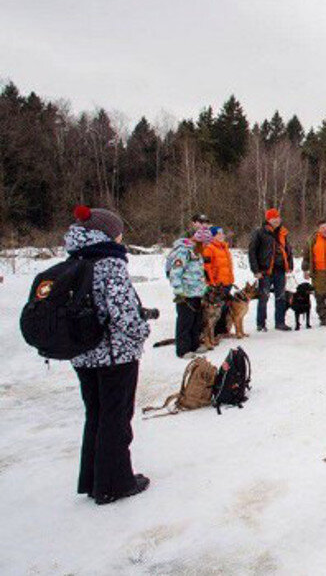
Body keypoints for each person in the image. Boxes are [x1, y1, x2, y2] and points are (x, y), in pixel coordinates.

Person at [67, 206, 151, 505]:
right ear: (106, 232)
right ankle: (115, 483)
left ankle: (93, 479)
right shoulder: (109, 262)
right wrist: (142, 331)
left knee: (96, 416)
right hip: (114, 355)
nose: (121, 236)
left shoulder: (74, 259)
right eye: (118, 231)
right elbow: (123, 312)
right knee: (116, 418)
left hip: (83, 354)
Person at [168, 227, 211, 357]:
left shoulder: (198, 253)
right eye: (205, 244)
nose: (206, 246)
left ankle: (194, 345)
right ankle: (183, 349)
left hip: (197, 292)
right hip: (185, 294)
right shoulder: (183, 252)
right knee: (185, 322)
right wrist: (179, 290)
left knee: (196, 321)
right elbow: (175, 272)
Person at [249, 208, 293, 332]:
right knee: (264, 297)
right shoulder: (259, 233)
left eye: (278, 218)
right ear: (268, 219)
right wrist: (255, 270)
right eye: (274, 218)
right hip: (265, 270)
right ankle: (261, 323)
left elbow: (288, 250)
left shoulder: (283, 232)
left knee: (281, 296)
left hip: (280, 270)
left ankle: (280, 322)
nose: (276, 220)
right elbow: (252, 252)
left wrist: (289, 264)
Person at [202, 226, 235, 335]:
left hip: (227, 282)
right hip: (217, 285)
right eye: (218, 234)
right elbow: (207, 268)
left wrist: (231, 280)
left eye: (222, 233)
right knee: (216, 310)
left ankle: (222, 331)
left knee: (225, 308)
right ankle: (213, 333)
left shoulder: (224, 247)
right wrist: (211, 283)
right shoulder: (209, 248)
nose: (221, 235)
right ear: (213, 236)